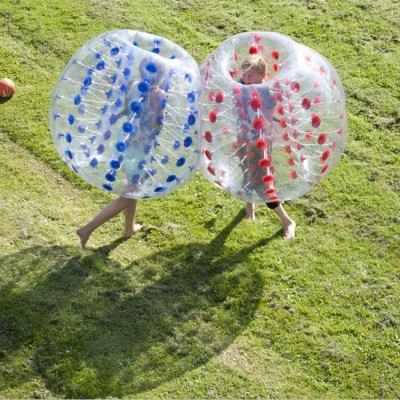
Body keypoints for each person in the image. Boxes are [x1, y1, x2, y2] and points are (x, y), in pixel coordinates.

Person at [77, 57, 166, 248]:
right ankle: (87, 229)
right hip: (141, 150)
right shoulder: (158, 95)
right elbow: (155, 124)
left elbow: (126, 110)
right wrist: (159, 124)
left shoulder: (132, 85)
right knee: (129, 193)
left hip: (124, 144)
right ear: (160, 76)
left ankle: (128, 229)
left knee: (131, 189)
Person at [237, 54, 296, 240]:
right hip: (243, 138)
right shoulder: (240, 86)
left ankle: (287, 221)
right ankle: (249, 205)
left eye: (251, 76)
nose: (246, 79)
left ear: (262, 75)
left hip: (259, 142)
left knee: (264, 184)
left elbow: (267, 122)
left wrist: (260, 145)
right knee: (245, 173)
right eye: (245, 75)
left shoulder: (267, 93)